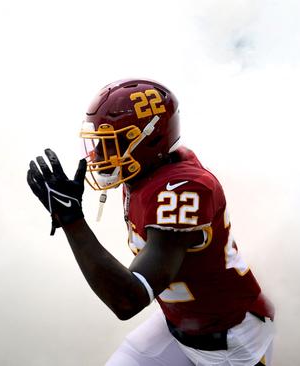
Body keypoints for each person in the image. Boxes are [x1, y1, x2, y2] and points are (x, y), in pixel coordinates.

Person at [27, 79, 275, 365]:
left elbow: (128, 300)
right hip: (180, 323)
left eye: (113, 143)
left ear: (151, 139)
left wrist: (71, 220)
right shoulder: (146, 170)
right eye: (99, 142)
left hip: (229, 343)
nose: (99, 155)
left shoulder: (183, 189)